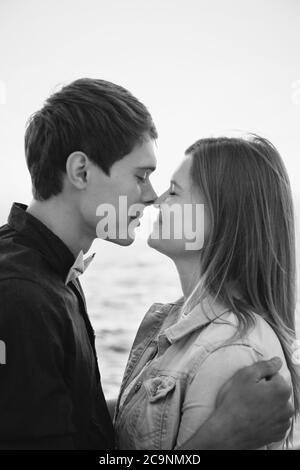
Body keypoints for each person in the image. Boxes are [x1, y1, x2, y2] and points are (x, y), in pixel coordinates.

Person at [0, 79, 293, 449]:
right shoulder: (22, 296)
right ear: (81, 172)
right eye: (141, 176)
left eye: (171, 188)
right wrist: (221, 437)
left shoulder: (56, 277)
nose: (153, 197)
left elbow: (69, 419)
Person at [114, 135, 300, 450]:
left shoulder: (231, 352)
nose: (157, 201)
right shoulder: (178, 322)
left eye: (174, 192)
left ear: (220, 216)